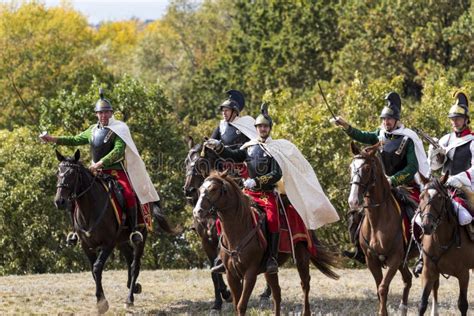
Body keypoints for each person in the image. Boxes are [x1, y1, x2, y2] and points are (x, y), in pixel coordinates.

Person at [206, 104, 339, 274]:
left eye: (265, 126)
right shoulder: (248, 147)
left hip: (267, 193)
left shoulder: (275, 149)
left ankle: (271, 258)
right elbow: (233, 155)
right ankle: (223, 257)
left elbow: (276, 174)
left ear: (269, 129)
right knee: (222, 216)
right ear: (256, 128)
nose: (263, 129)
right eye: (260, 126)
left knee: (272, 218)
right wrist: (219, 147)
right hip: (248, 194)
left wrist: (256, 181)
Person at [40, 89, 161, 246]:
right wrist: (52, 139)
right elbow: (74, 139)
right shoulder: (92, 130)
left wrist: (99, 163)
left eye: (106, 112)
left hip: (116, 172)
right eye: (100, 113)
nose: (103, 115)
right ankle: (75, 231)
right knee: (76, 193)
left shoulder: (119, 129)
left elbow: (118, 151)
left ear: (111, 113)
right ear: (96, 114)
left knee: (129, 194)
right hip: (96, 173)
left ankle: (133, 231)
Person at [332, 92, 429, 264]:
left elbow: (413, 167)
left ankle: (421, 251)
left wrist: (393, 180)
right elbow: (361, 135)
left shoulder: (408, 138)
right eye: (384, 119)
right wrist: (345, 125)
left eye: (389, 119)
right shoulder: (380, 134)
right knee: (357, 213)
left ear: (397, 120)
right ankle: (360, 249)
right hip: (381, 185)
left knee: (418, 215)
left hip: (405, 186)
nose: (386, 122)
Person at [414, 91, 474, 275]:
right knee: (419, 216)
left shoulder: (472, 141)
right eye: (452, 118)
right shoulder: (445, 139)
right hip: (441, 185)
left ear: (466, 120)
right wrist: (437, 154)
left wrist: (458, 178)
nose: (455, 121)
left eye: (458, 118)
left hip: (464, 186)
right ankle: (421, 256)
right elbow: (434, 165)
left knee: (467, 215)